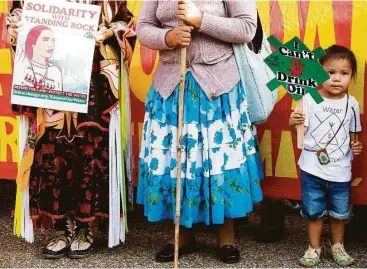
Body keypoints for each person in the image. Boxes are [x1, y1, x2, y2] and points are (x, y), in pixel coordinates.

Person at [136, 0, 263, 264]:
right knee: (177, 162)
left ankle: (226, 234)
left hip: (219, 90)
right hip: (171, 88)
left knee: (220, 160)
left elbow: (247, 27)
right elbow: (144, 27)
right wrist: (167, 37)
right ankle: (181, 234)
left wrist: (200, 19)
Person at [7, 0, 133, 259]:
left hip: (92, 81)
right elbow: (17, 14)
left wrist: (109, 33)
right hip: (48, 80)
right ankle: (61, 226)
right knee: (51, 149)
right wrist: (19, 28)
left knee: (88, 148)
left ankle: (85, 227)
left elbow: (125, 21)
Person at [289, 45, 363, 267]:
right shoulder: (310, 98)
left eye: (344, 73)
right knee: (313, 212)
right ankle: (314, 248)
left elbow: (355, 137)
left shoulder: (352, 104)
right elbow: (300, 128)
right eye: (330, 72)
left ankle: (338, 247)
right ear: (320, 72)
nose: (337, 79)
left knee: (339, 214)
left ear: (352, 76)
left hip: (341, 172)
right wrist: (294, 123)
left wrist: (356, 146)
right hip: (312, 169)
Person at [13, 25, 63, 92]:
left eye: (53, 40)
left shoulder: (55, 72)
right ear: (33, 44)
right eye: (45, 40)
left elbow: (58, 99)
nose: (51, 44)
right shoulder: (21, 59)